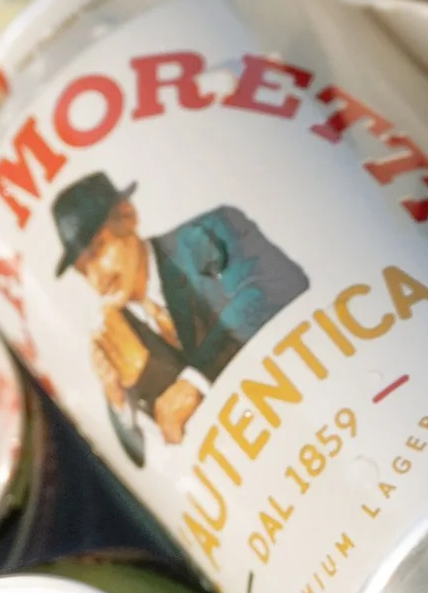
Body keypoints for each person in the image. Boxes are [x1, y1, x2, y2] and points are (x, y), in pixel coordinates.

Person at [51, 173, 308, 461]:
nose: (97, 277)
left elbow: (274, 285)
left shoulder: (206, 235)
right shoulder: (117, 331)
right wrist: (118, 398)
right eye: (83, 269)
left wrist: (195, 382)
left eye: (98, 250)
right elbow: (139, 458)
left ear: (128, 215)